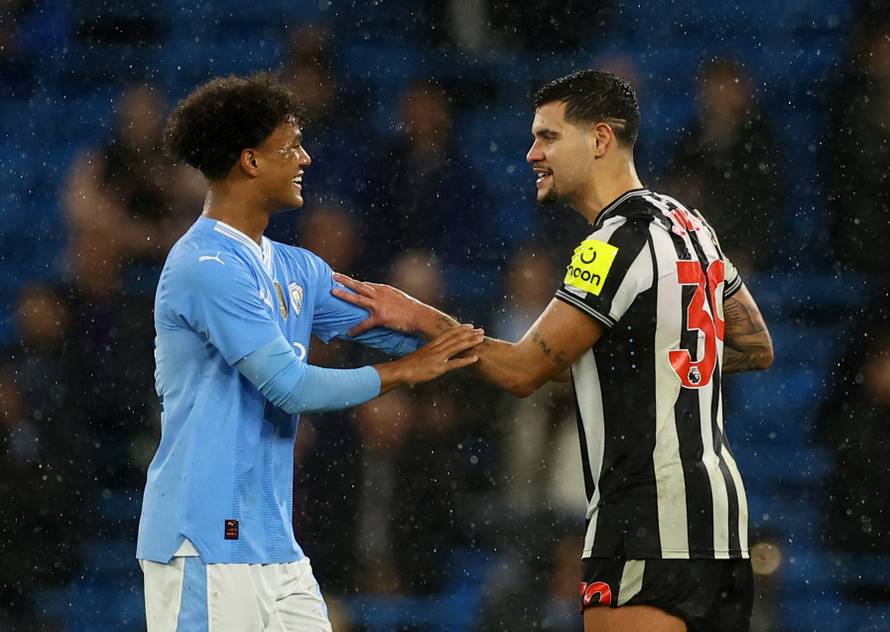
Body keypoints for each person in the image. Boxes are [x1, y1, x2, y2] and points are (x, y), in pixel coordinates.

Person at [333, 70, 774, 632]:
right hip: (721, 522)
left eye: (547, 136)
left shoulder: (610, 245)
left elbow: (521, 371)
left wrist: (420, 315)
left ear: (600, 139)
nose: (531, 153)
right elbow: (757, 346)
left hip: (644, 520)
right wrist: (642, 366)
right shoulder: (688, 224)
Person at [135, 73, 483, 632]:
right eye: (290, 146)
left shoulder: (299, 268)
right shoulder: (204, 266)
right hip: (204, 537)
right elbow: (290, 385)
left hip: (274, 541)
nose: (306, 158)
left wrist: (418, 314)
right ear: (250, 161)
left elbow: (407, 337)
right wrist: (403, 373)